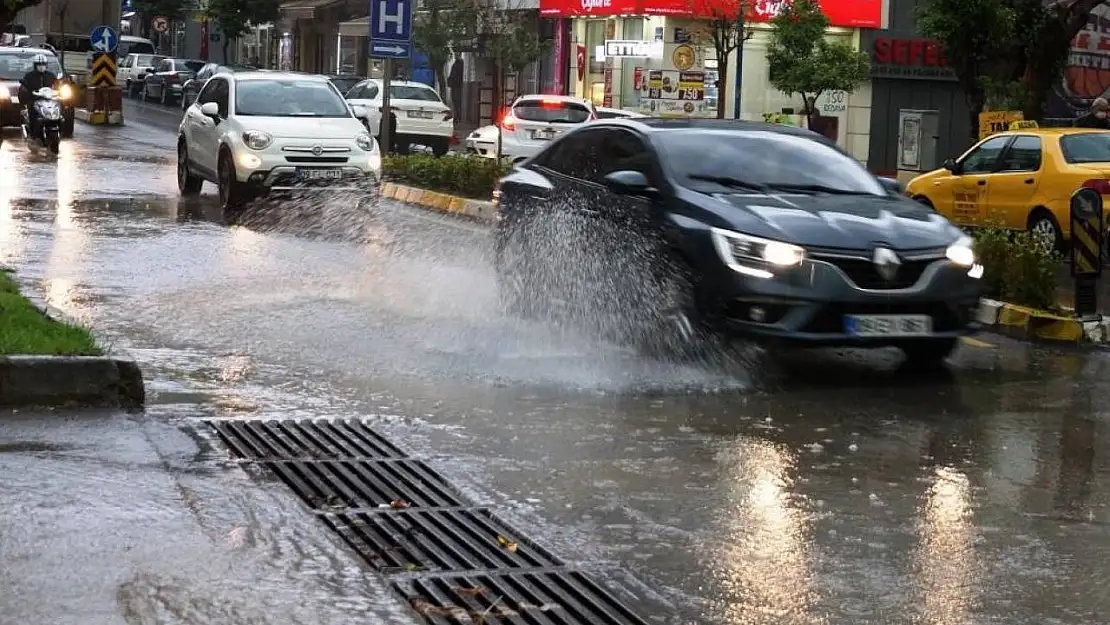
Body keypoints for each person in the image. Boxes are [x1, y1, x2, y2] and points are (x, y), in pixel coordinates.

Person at [19, 53, 58, 138]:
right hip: (34, 100)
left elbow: (57, 86)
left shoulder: (51, 76)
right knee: (32, 114)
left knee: (60, 114)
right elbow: (23, 89)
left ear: (46, 65)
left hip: (49, 100)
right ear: (35, 65)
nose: (41, 66)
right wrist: (28, 95)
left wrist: (59, 92)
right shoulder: (29, 76)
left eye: (43, 64)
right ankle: (33, 135)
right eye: (39, 64)